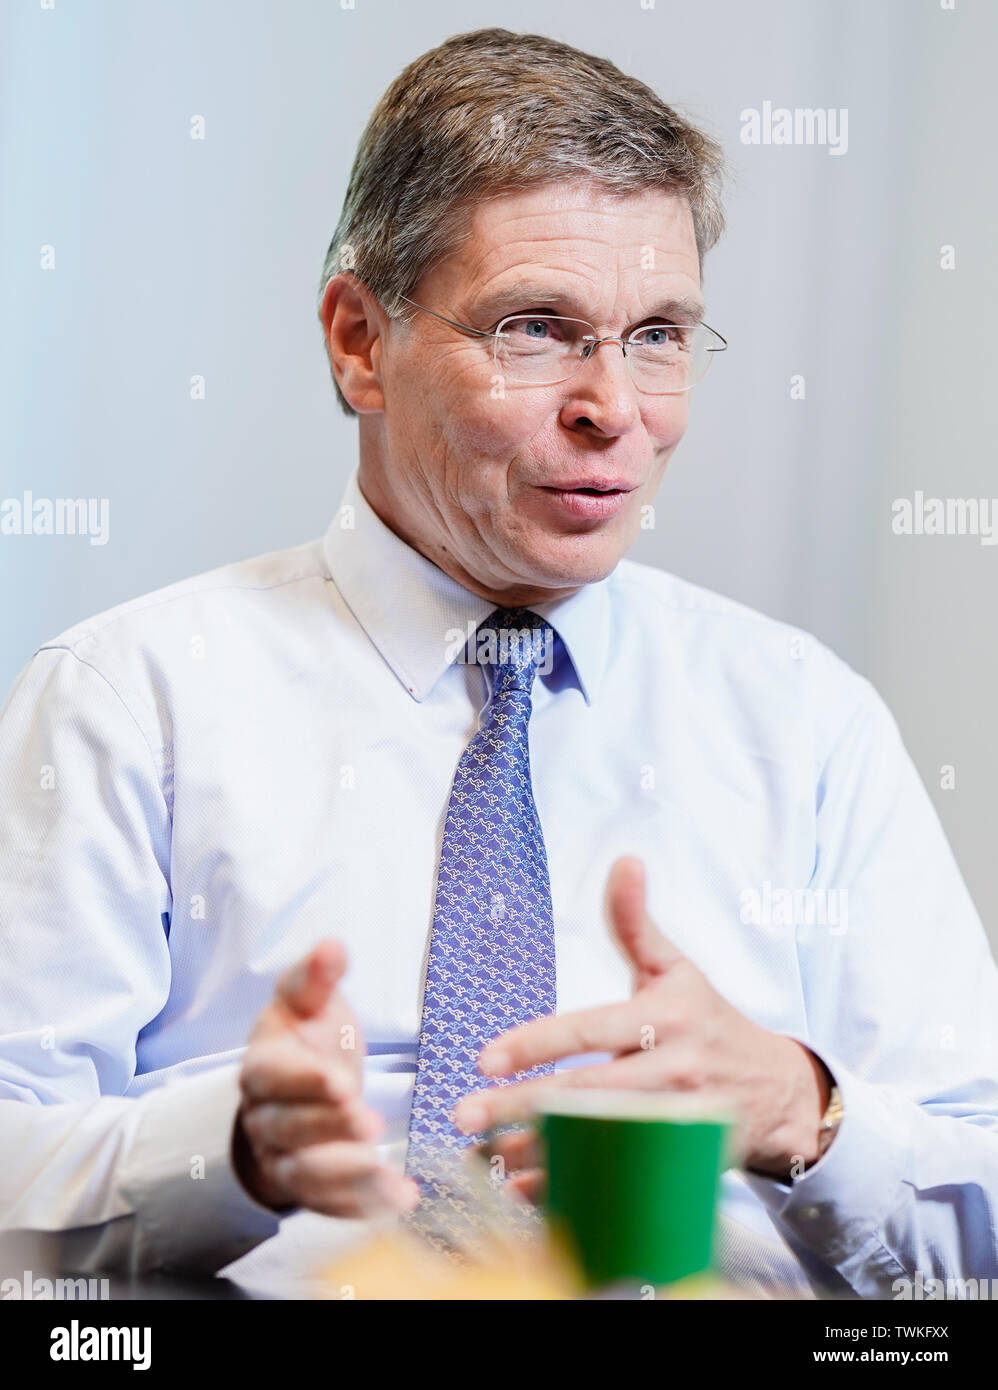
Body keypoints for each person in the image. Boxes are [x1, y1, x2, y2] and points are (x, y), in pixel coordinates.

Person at [1, 28, 996, 1299]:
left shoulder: (803, 721)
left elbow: (973, 1240)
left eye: (657, 335)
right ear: (359, 340)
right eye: (537, 329)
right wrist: (229, 1154)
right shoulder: (130, 699)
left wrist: (807, 1111)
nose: (613, 406)